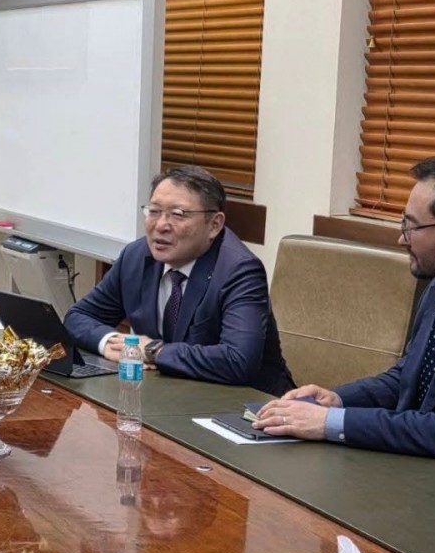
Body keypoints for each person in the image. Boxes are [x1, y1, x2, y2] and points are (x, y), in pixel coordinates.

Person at [256, 156, 435, 486]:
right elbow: (406, 378)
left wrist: (331, 423)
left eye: (413, 227)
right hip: (416, 472)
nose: (402, 239)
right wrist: (337, 400)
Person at [64, 165, 294, 396]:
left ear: (214, 224)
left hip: (249, 404)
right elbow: (78, 317)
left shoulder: (239, 271)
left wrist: (154, 351)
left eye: (178, 214)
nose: (160, 225)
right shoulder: (136, 256)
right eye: (154, 211)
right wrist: (111, 343)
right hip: (167, 394)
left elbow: (238, 360)